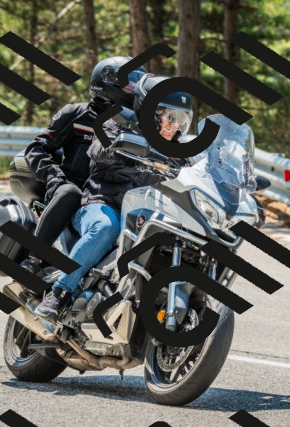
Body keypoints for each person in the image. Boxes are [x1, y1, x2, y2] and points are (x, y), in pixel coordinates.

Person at [35, 75, 194, 321]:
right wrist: (118, 149)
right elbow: (98, 150)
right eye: (170, 117)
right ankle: (59, 293)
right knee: (106, 227)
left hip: (145, 215)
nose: (175, 126)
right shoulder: (118, 125)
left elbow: (195, 177)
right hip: (102, 204)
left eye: (181, 120)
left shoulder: (179, 154)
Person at [19, 57, 147, 276]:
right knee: (70, 192)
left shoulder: (134, 125)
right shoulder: (77, 114)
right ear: (107, 84)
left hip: (106, 194)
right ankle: (33, 259)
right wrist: (54, 177)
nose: (135, 89)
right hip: (72, 189)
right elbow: (37, 148)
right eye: (130, 84)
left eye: (137, 84)